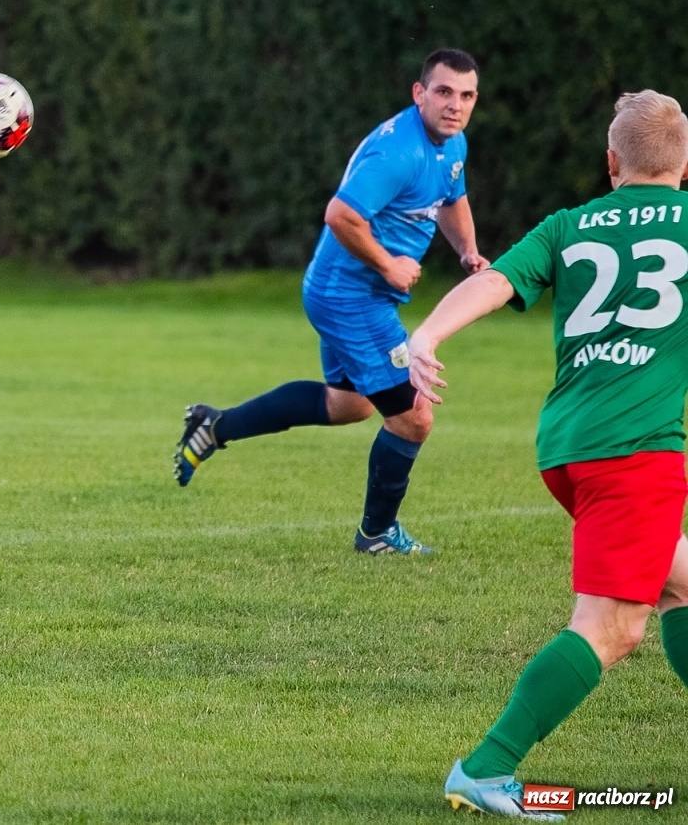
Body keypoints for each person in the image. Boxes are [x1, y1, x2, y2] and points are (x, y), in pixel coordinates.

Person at [408, 90, 688, 820]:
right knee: (612, 628)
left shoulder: (571, 224)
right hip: (635, 453)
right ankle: (486, 767)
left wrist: (425, 339)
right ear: (684, 165)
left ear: (612, 162)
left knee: (683, 582)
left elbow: (494, 281)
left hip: (567, 447)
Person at [173, 48, 487, 555]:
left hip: (346, 293)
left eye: (466, 95)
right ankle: (377, 534)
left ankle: (216, 425)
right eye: (444, 92)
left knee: (348, 406)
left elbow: (452, 198)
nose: (455, 104)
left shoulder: (451, 144)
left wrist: (468, 251)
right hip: (352, 297)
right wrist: (388, 264)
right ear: (419, 93)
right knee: (414, 416)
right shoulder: (398, 153)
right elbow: (340, 215)